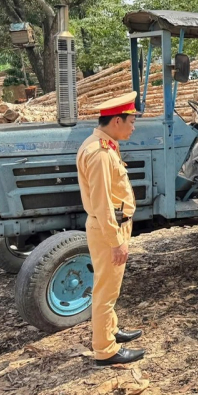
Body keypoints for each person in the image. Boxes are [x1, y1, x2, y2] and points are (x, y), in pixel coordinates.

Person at [76, 91, 145, 366]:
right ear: (117, 121)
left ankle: (111, 330)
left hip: (110, 226)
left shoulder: (100, 145)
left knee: (108, 286)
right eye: (131, 121)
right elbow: (103, 203)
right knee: (106, 291)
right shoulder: (101, 154)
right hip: (109, 229)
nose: (133, 127)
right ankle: (105, 350)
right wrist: (117, 241)